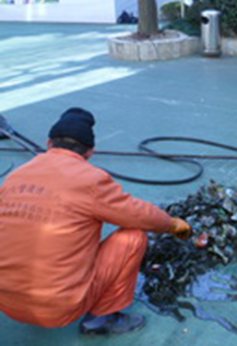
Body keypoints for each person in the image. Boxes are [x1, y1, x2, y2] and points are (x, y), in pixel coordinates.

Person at [0, 108, 192, 335]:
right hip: (57, 309)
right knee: (133, 237)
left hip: (6, 303)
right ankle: (102, 319)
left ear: (49, 142)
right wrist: (173, 224)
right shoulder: (91, 180)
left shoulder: (16, 176)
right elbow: (140, 214)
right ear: (91, 151)